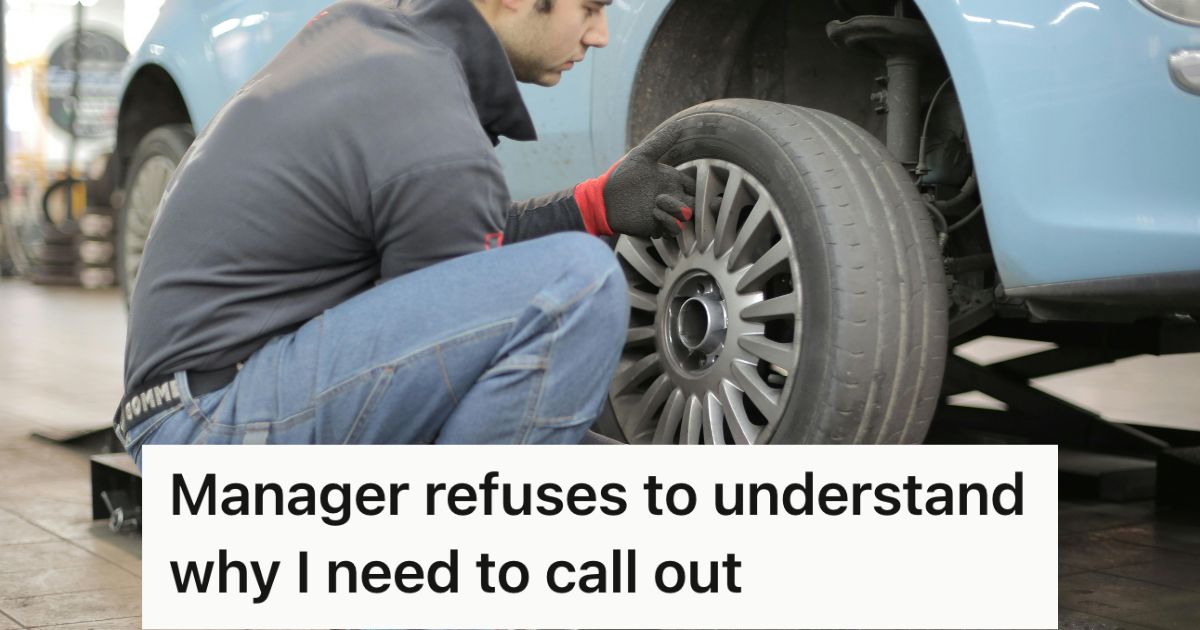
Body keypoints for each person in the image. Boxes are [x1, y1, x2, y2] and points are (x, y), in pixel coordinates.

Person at [113, 0, 696, 465]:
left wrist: (592, 205)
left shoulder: (382, 48)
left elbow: (458, 287)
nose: (599, 36)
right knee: (581, 284)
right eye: (590, 9)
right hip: (206, 428)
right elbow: (464, 326)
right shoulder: (428, 113)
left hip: (199, 406)